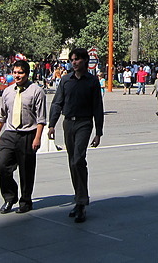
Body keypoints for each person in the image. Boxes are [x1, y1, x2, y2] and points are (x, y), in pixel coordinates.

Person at [48, 48, 104, 224]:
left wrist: (98, 132)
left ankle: (81, 201)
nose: (74, 62)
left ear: (85, 61)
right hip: (68, 123)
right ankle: (78, 197)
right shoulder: (65, 80)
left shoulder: (92, 81)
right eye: (72, 59)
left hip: (84, 123)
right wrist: (51, 124)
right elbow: (57, 103)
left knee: (78, 159)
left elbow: (97, 107)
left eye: (77, 59)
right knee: (72, 161)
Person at [0, 59, 46, 215]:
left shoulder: (36, 91)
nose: (17, 76)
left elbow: (41, 118)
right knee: (2, 164)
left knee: (26, 170)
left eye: (20, 73)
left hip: (28, 134)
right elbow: (1, 115)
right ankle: (9, 197)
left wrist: (37, 138)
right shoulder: (8, 91)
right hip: (9, 133)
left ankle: (25, 200)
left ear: (27, 74)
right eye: (15, 72)